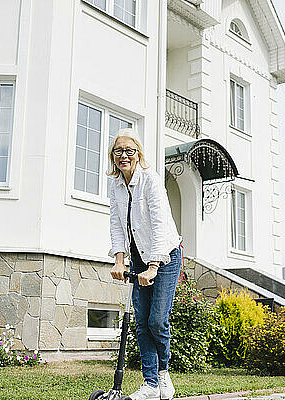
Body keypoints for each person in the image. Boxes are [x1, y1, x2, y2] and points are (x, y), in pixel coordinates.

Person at [108, 128, 182, 400]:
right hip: (139, 257)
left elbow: (161, 224)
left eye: (129, 151)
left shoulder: (150, 180)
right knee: (141, 322)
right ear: (112, 156)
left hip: (166, 256)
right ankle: (150, 384)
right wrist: (119, 260)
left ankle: (163, 373)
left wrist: (153, 266)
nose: (123, 156)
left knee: (157, 320)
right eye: (118, 151)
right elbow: (117, 224)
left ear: (138, 154)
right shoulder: (115, 185)